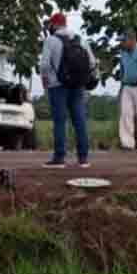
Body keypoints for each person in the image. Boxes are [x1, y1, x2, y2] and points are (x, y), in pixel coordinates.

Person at [39, 13, 96, 168]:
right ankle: (83, 159)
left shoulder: (50, 40)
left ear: (54, 24)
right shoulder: (80, 39)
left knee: (60, 121)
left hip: (57, 86)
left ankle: (59, 158)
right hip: (78, 85)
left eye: (50, 24)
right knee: (79, 120)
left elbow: (44, 64)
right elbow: (92, 62)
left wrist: (45, 79)